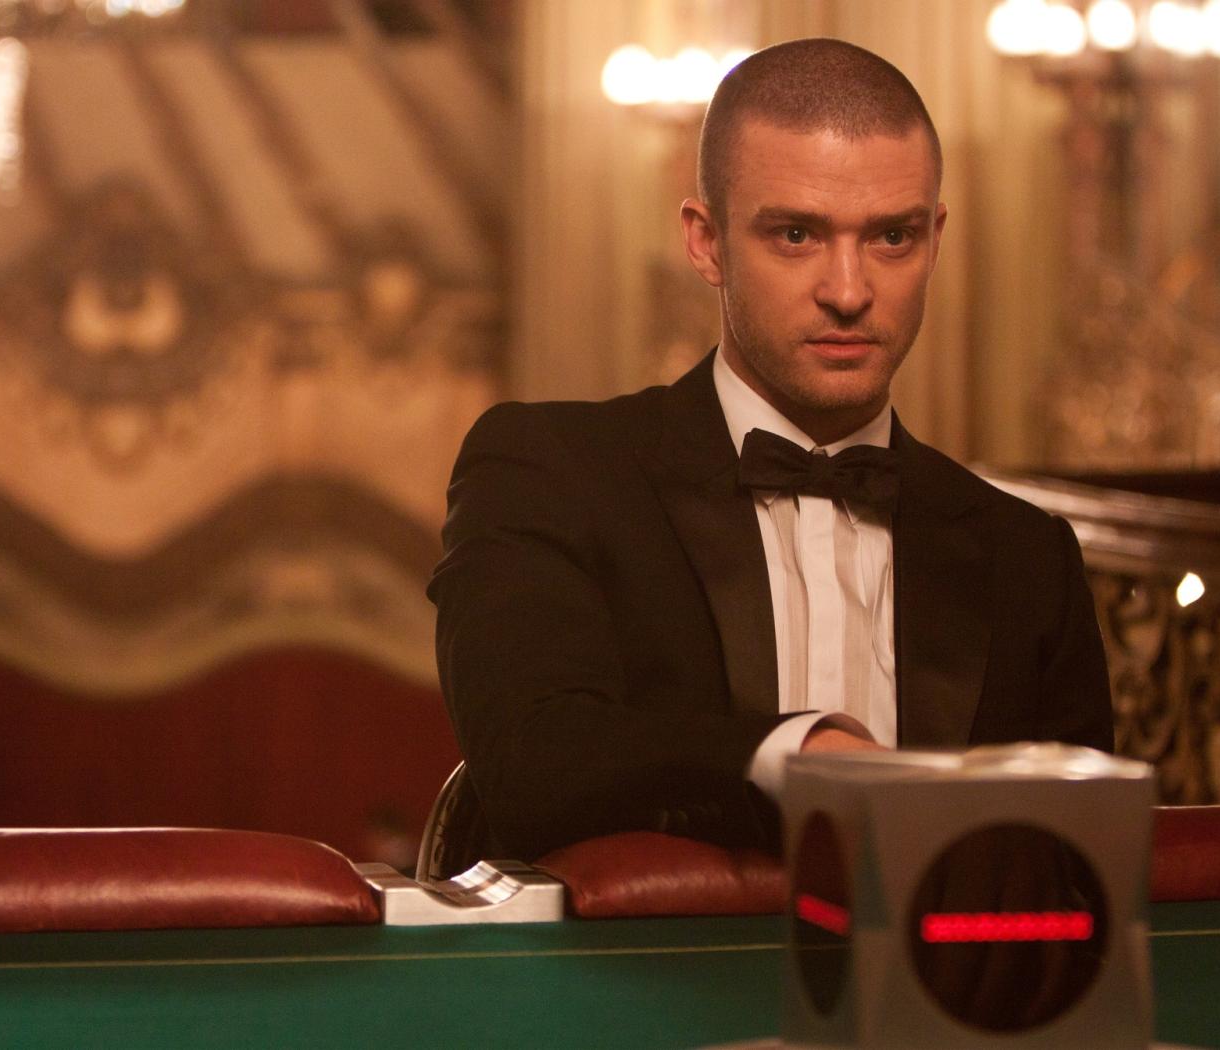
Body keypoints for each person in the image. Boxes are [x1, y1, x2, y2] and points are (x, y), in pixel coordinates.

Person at [428, 38, 1113, 862]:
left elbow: (1074, 864)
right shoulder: (549, 470)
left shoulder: (1028, 556)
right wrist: (795, 752)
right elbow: (530, 760)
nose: (849, 291)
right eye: (795, 234)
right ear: (706, 242)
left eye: (892, 237)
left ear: (935, 238)